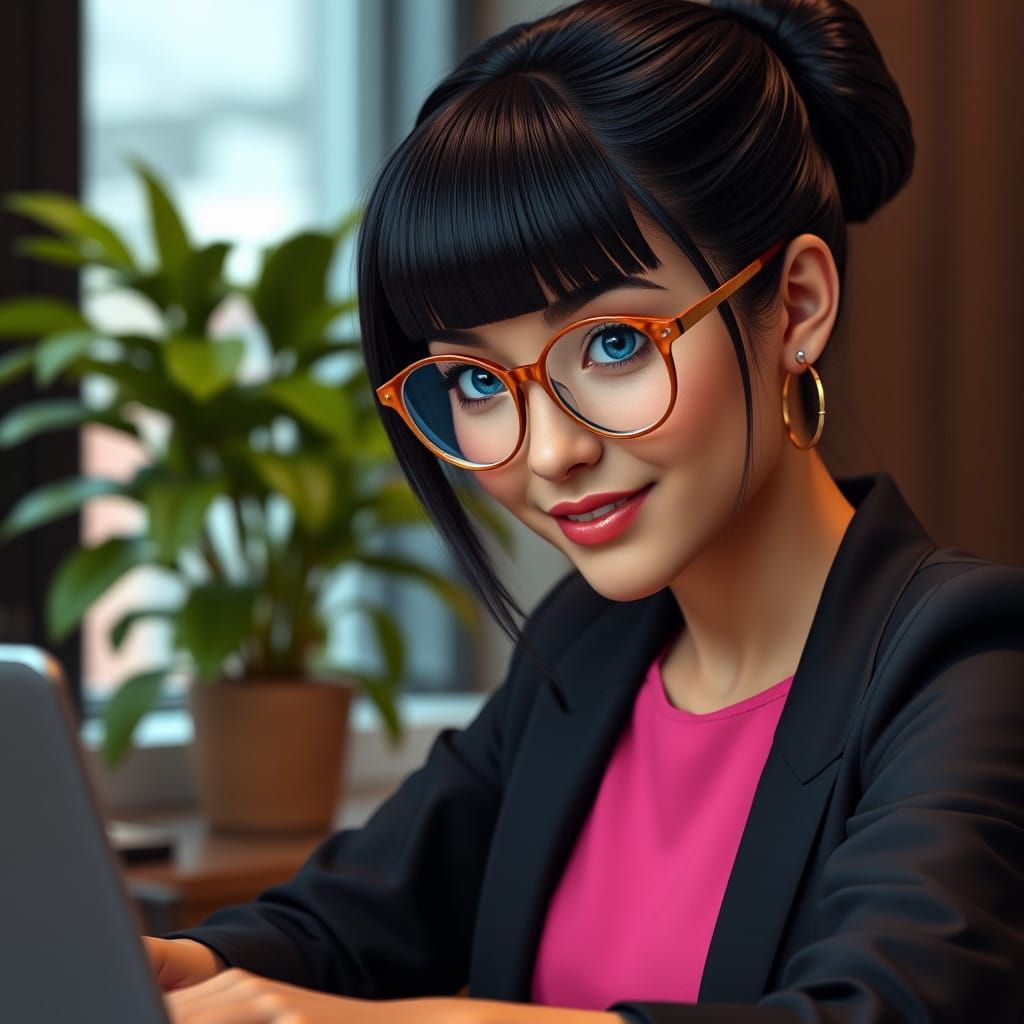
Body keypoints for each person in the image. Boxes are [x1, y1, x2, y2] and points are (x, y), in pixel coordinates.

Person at [144, 0, 1024, 1021]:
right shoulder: (587, 649)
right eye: (476, 381)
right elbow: (344, 921)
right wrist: (171, 964)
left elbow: (875, 1007)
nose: (551, 451)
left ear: (795, 305)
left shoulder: (968, 661)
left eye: (613, 344)